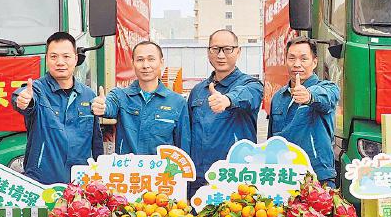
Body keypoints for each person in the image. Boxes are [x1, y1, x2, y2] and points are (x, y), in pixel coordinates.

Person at [12, 32, 102, 185]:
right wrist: (22, 100)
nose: (60, 62)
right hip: (42, 183)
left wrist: (99, 174)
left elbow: (96, 143)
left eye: (66, 56)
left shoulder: (88, 95)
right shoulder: (37, 90)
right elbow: (22, 97)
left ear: (76, 59)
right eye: (54, 57)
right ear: (46, 59)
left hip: (80, 183)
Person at [187, 29, 263, 192]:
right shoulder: (198, 91)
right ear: (208, 52)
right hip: (199, 180)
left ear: (238, 51)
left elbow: (247, 96)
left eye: (227, 49)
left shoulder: (251, 84)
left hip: (235, 180)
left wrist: (227, 100)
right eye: (215, 49)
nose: (221, 55)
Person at [92, 41, 189, 155]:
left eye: (151, 59)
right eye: (140, 60)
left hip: (161, 167)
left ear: (161, 62)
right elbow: (108, 106)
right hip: (128, 166)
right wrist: (100, 106)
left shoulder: (177, 102)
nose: (145, 65)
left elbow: (183, 150)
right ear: (133, 63)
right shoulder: (120, 96)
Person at [266, 37, 341, 185]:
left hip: (317, 177)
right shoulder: (278, 97)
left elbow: (326, 98)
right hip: (283, 176)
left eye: (303, 59)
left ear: (314, 62)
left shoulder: (328, 88)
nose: (297, 64)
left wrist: (309, 96)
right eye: (291, 58)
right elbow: (271, 140)